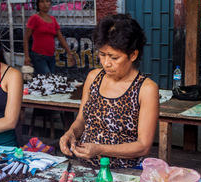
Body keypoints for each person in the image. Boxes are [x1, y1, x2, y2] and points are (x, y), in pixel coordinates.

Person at [59, 14, 159, 168]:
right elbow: (81, 120)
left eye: (114, 57)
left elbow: (143, 146)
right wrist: (71, 133)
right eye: (102, 55)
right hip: (85, 167)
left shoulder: (146, 89)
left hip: (124, 171)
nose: (106, 63)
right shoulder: (93, 78)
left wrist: (100, 149)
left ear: (133, 55)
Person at [23, 0, 75, 75]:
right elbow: (26, 38)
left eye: (47, 1)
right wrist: (27, 57)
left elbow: (61, 38)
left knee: (49, 81)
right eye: (42, 2)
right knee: (48, 79)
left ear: (50, 3)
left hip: (51, 57)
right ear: (38, 4)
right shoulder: (34, 18)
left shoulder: (53, 19)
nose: (45, 4)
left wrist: (69, 53)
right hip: (39, 56)